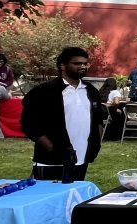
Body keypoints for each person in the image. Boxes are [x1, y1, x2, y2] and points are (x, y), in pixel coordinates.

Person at [20, 47, 105, 181]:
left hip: (82, 158)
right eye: (77, 63)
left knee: (74, 197)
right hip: (51, 160)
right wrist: (51, 147)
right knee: (48, 199)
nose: (83, 66)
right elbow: (29, 124)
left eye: (85, 63)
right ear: (62, 66)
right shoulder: (44, 91)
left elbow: (99, 121)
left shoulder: (91, 91)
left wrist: (96, 143)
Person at [100, 77, 125, 141]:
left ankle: (107, 135)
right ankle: (116, 136)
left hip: (102, 112)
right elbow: (116, 103)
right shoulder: (115, 92)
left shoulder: (101, 91)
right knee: (121, 114)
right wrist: (116, 109)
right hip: (110, 111)